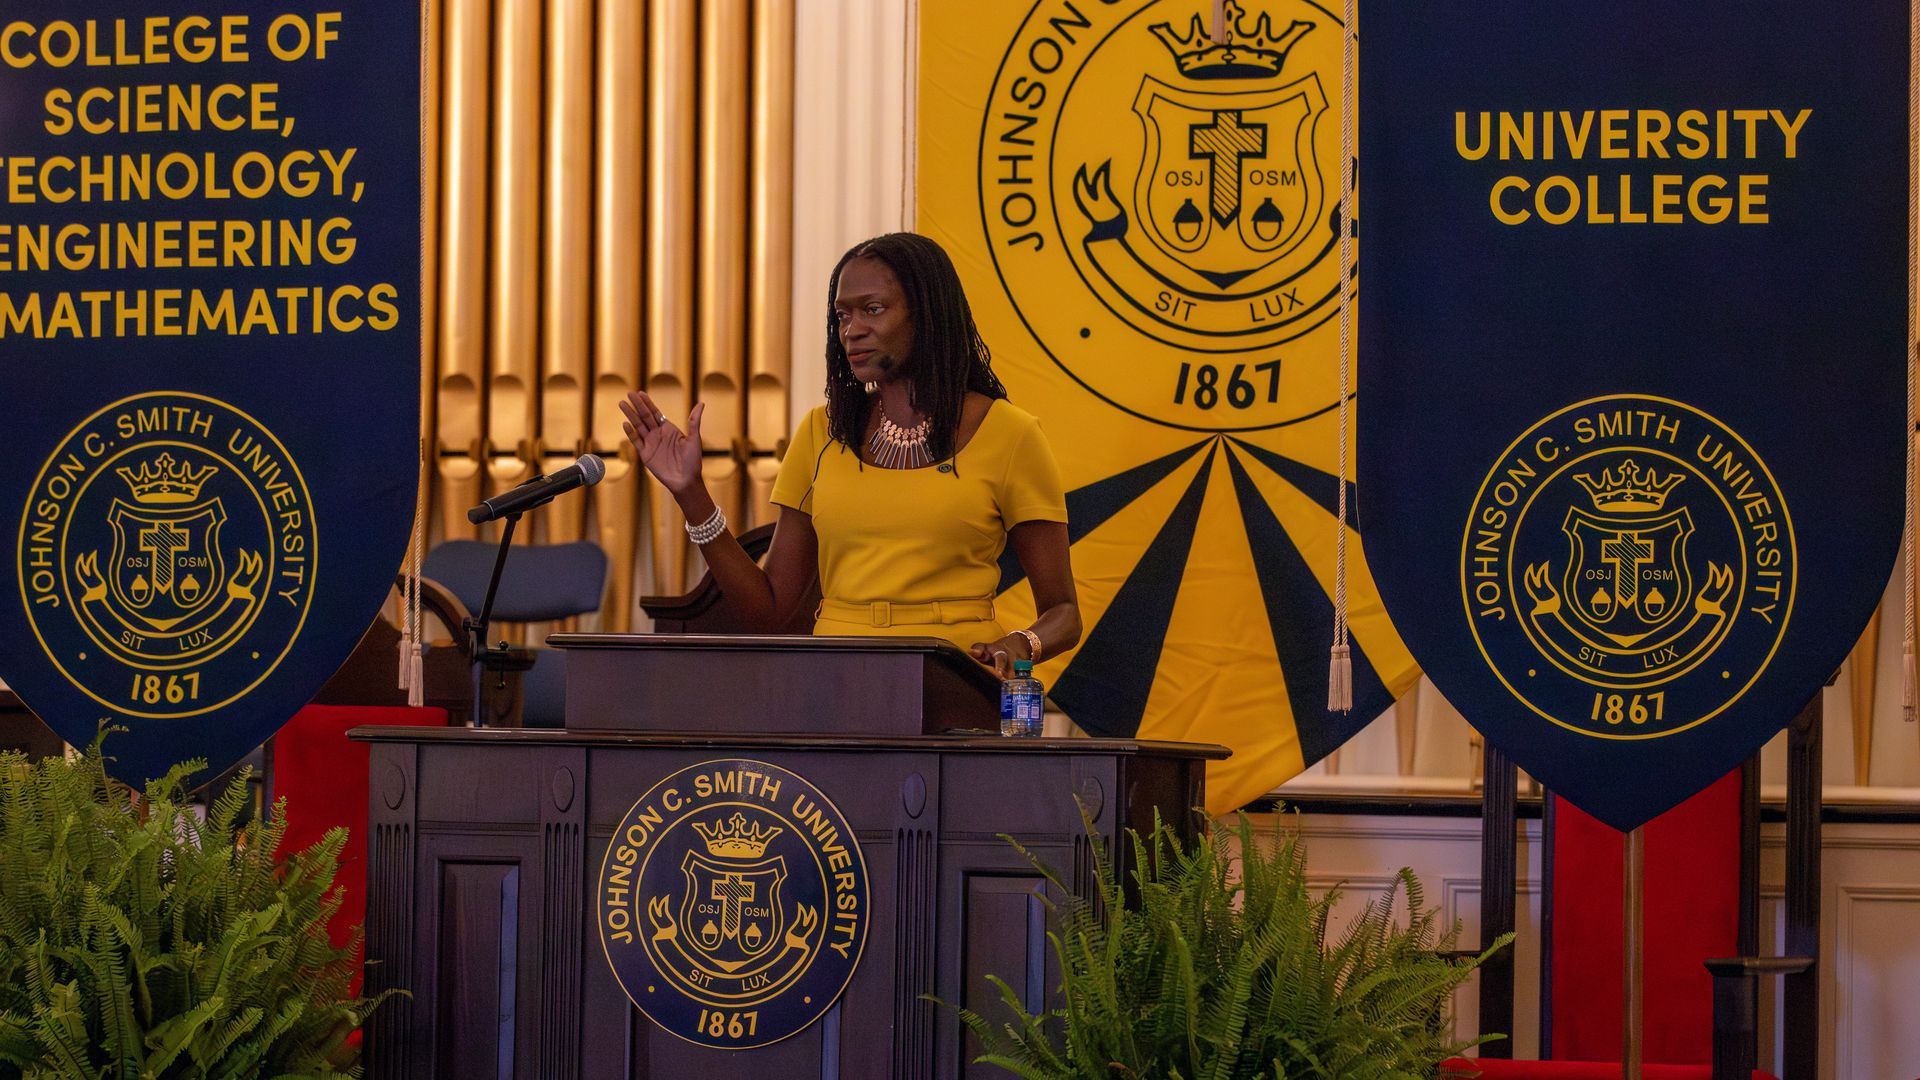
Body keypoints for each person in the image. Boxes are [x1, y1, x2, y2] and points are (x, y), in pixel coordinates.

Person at [619, 231, 1080, 678]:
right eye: (842, 316)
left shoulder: (1011, 435)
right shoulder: (822, 431)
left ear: (928, 315)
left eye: (873, 310)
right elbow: (771, 609)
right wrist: (690, 492)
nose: (852, 331)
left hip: (957, 674)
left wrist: (1022, 643)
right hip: (837, 676)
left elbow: (1063, 613)